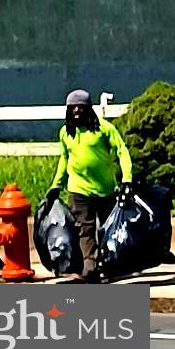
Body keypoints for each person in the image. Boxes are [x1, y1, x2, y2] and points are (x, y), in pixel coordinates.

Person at [48, 89, 132, 281]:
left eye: (81, 107)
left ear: (89, 109)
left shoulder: (103, 128)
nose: (77, 110)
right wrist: (56, 186)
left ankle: (108, 264)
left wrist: (127, 180)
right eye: (73, 107)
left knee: (107, 230)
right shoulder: (65, 133)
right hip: (78, 189)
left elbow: (122, 152)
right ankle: (90, 267)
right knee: (83, 230)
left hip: (105, 189)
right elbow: (64, 159)